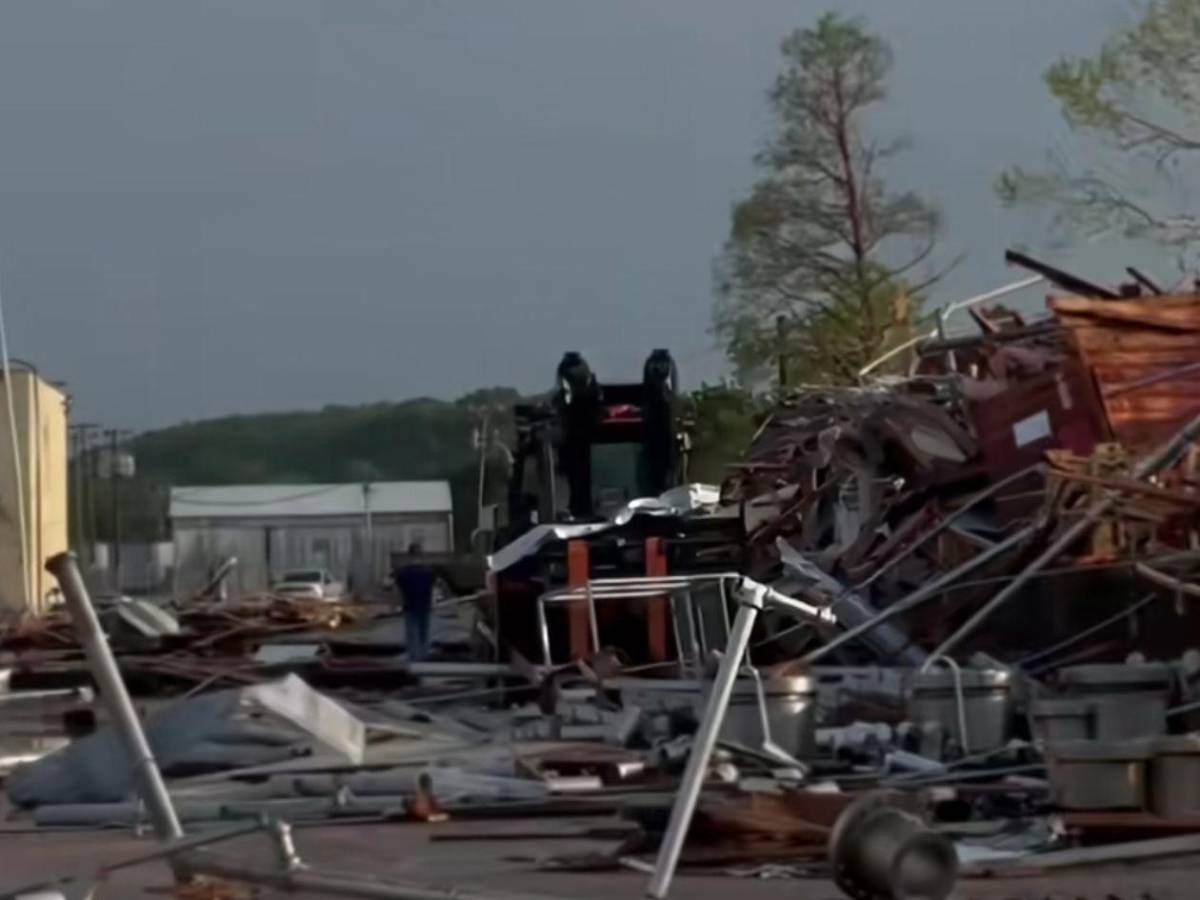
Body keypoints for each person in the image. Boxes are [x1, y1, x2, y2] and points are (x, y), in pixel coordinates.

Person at [393, 543, 435, 662]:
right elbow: (432, 591)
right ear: (421, 555)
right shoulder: (429, 572)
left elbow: (398, 592)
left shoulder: (402, 573)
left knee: (412, 637)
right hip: (425, 607)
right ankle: (424, 659)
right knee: (424, 635)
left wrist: (398, 605)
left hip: (410, 607)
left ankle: (415, 662)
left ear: (409, 555)